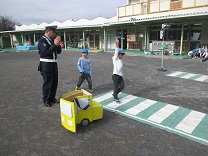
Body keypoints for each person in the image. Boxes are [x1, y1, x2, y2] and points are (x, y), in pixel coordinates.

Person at [38, 26, 62, 107]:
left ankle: (52, 97)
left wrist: (58, 44)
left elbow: (58, 52)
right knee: (48, 83)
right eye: (53, 32)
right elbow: (46, 52)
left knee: (54, 82)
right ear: (48, 31)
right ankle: (46, 100)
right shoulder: (42, 40)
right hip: (46, 65)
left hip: (54, 64)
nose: (54, 34)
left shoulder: (52, 40)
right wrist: (55, 45)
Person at [112, 38, 125, 103]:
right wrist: (117, 44)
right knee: (116, 87)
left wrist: (122, 75)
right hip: (115, 75)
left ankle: (115, 93)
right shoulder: (115, 59)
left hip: (120, 76)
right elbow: (116, 51)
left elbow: (121, 70)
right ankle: (115, 97)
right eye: (121, 54)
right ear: (118, 54)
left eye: (123, 54)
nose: (122, 55)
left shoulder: (121, 61)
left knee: (122, 87)